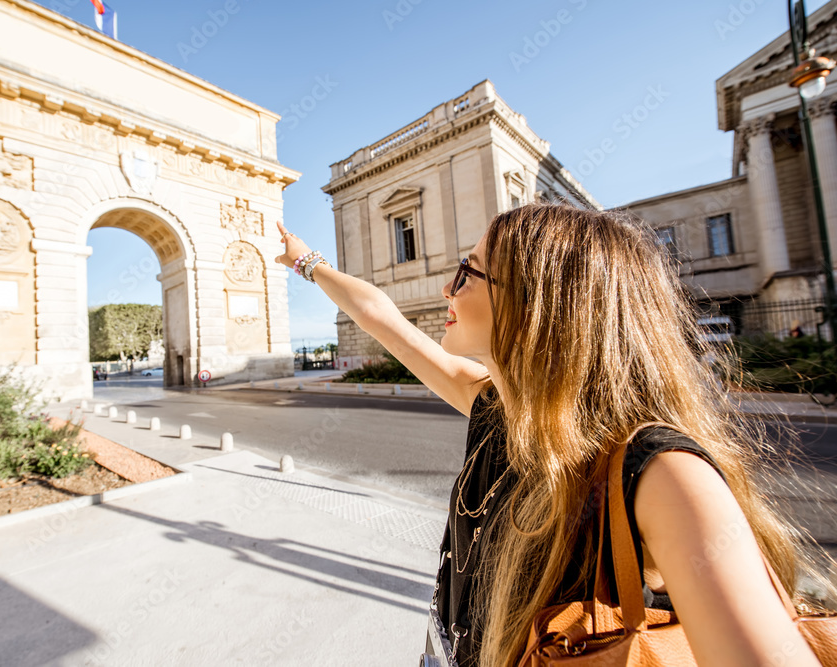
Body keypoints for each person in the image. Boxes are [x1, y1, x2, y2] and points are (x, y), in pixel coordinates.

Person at [275, 204, 835, 667]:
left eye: (468, 271)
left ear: (538, 300)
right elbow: (381, 318)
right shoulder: (495, 405)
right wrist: (307, 262)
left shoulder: (661, 470)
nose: (448, 286)